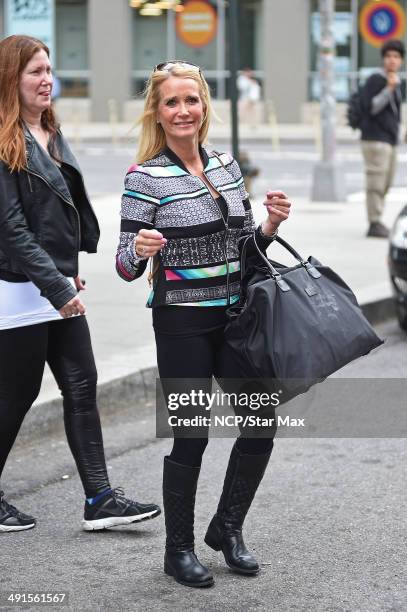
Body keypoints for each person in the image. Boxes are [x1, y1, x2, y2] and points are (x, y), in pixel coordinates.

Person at [116, 61, 291, 587]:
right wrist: (140, 249)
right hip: (182, 325)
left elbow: (244, 250)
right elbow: (125, 265)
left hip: (237, 320)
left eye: (190, 100)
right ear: (158, 112)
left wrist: (269, 226)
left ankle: (227, 528)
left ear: (204, 106)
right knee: (191, 437)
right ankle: (179, 550)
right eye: (172, 102)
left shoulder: (225, 166)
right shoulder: (144, 177)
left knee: (262, 421)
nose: (183, 110)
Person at [0, 35, 160, 532]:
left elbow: (52, 214)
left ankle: (99, 498)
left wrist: (67, 271)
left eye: (49, 69)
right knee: (17, 393)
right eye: (34, 71)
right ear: (11, 78)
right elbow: (12, 228)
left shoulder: (49, 130)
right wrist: (58, 286)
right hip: (15, 289)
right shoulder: (4, 140)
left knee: (81, 384)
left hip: (53, 284)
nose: (47, 79)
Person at [360, 39, 405, 238]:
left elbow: (395, 112)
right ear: (383, 59)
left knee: (386, 182)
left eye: (396, 57)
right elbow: (373, 107)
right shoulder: (376, 80)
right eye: (388, 56)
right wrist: (388, 89)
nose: (392, 60)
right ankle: (374, 222)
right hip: (375, 139)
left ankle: (377, 219)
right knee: (376, 183)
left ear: (401, 60)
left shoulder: (397, 81)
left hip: (389, 139)